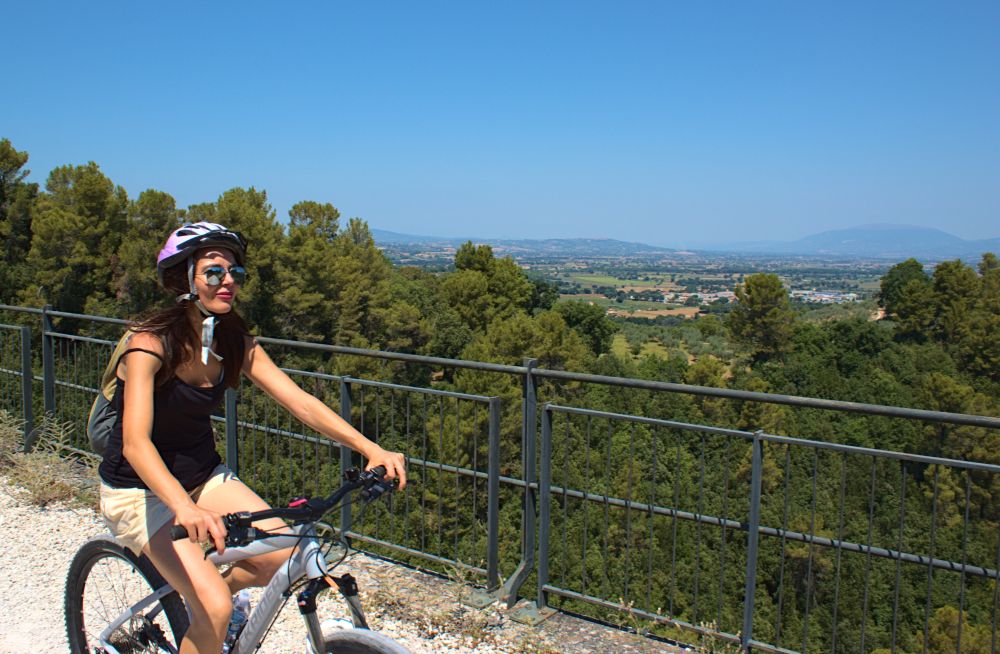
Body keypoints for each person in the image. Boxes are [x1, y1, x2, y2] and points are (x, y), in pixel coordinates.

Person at [97, 222, 407, 654]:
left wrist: (369, 447)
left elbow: (300, 403)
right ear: (185, 279)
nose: (228, 281)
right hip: (140, 491)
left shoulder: (234, 340)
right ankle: (211, 606)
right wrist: (184, 508)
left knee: (283, 554)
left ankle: (212, 591)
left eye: (235, 274)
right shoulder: (149, 344)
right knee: (214, 609)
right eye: (213, 272)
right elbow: (135, 443)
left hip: (202, 475)